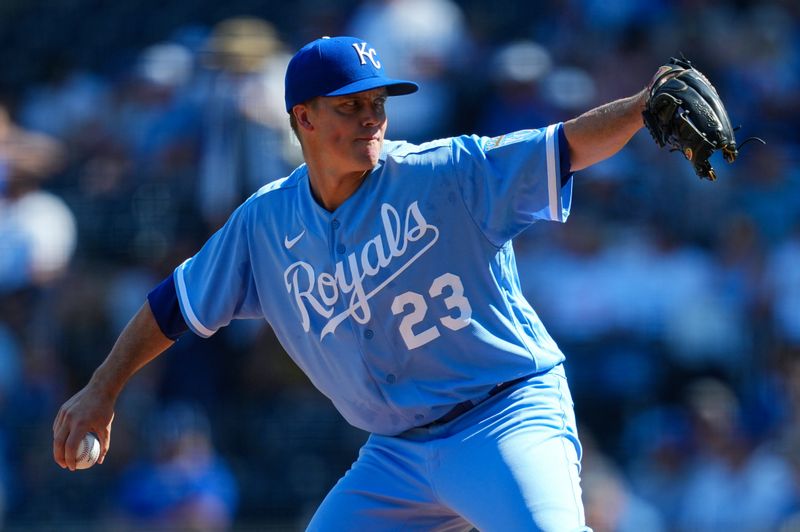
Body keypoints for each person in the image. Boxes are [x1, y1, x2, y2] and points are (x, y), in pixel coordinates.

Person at [53, 35, 648, 530]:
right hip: (396, 455)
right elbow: (172, 306)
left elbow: (563, 146)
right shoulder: (265, 222)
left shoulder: (441, 172)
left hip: (504, 416)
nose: (371, 117)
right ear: (304, 118)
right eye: (349, 105)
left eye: (377, 103)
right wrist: (102, 389)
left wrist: (645, 105)